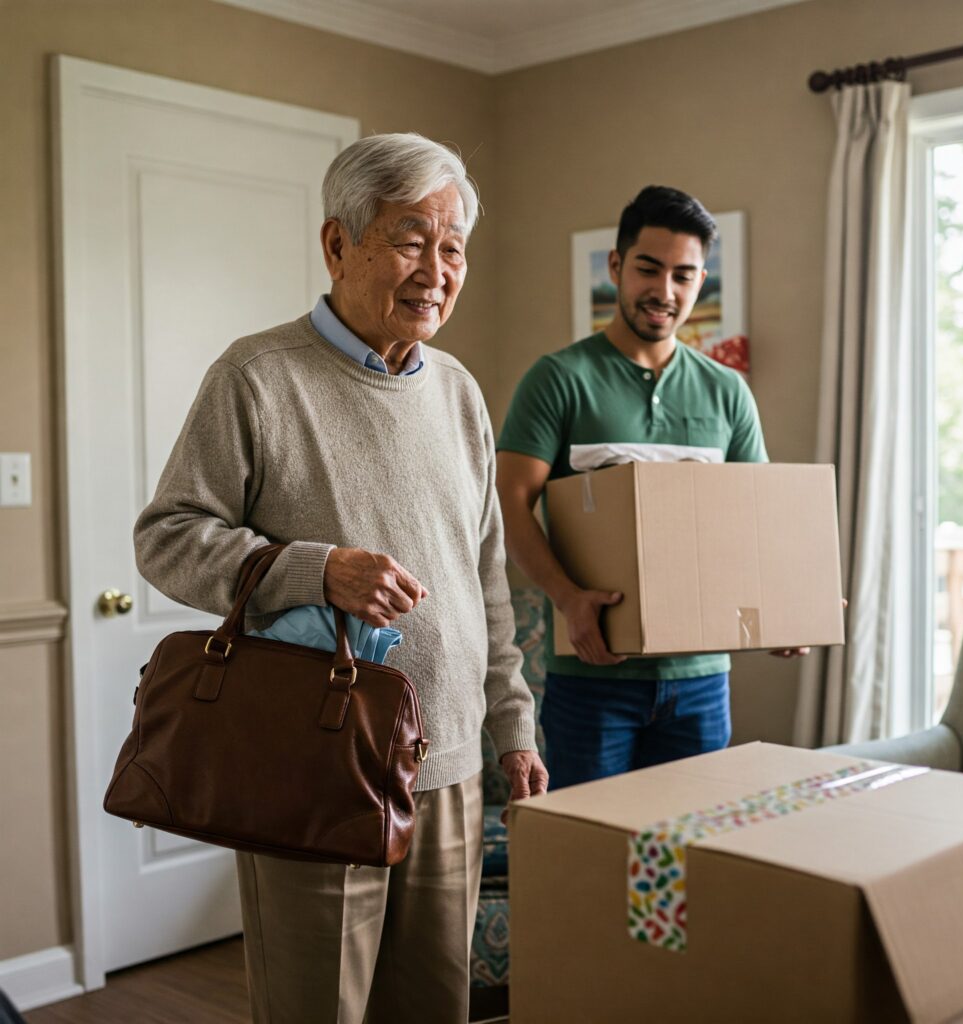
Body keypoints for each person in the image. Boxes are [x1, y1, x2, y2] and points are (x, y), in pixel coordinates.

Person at [134, 132, 547, 1024]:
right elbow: (167, 538)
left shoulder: (462, 394)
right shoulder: (256, 377)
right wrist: (313, 571)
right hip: (310, 767)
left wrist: (512, 724)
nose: (436, 270)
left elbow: (487, 581)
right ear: (337, 243)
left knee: (435, 1005)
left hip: (447, 766)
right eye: (410, 239)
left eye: (453, 247)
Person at [496, 185, 806, 791]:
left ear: (701, 282)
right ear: (616, 266)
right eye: (648, 268)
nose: (665, 291)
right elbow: (508, 504)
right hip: (592, 676)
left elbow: (757, 517)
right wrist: (567, 599)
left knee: (688, 849)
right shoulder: (559, 379)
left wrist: (790, 605)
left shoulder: (726, 391)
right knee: (591, 853)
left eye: (684, 276)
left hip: (701, 681)